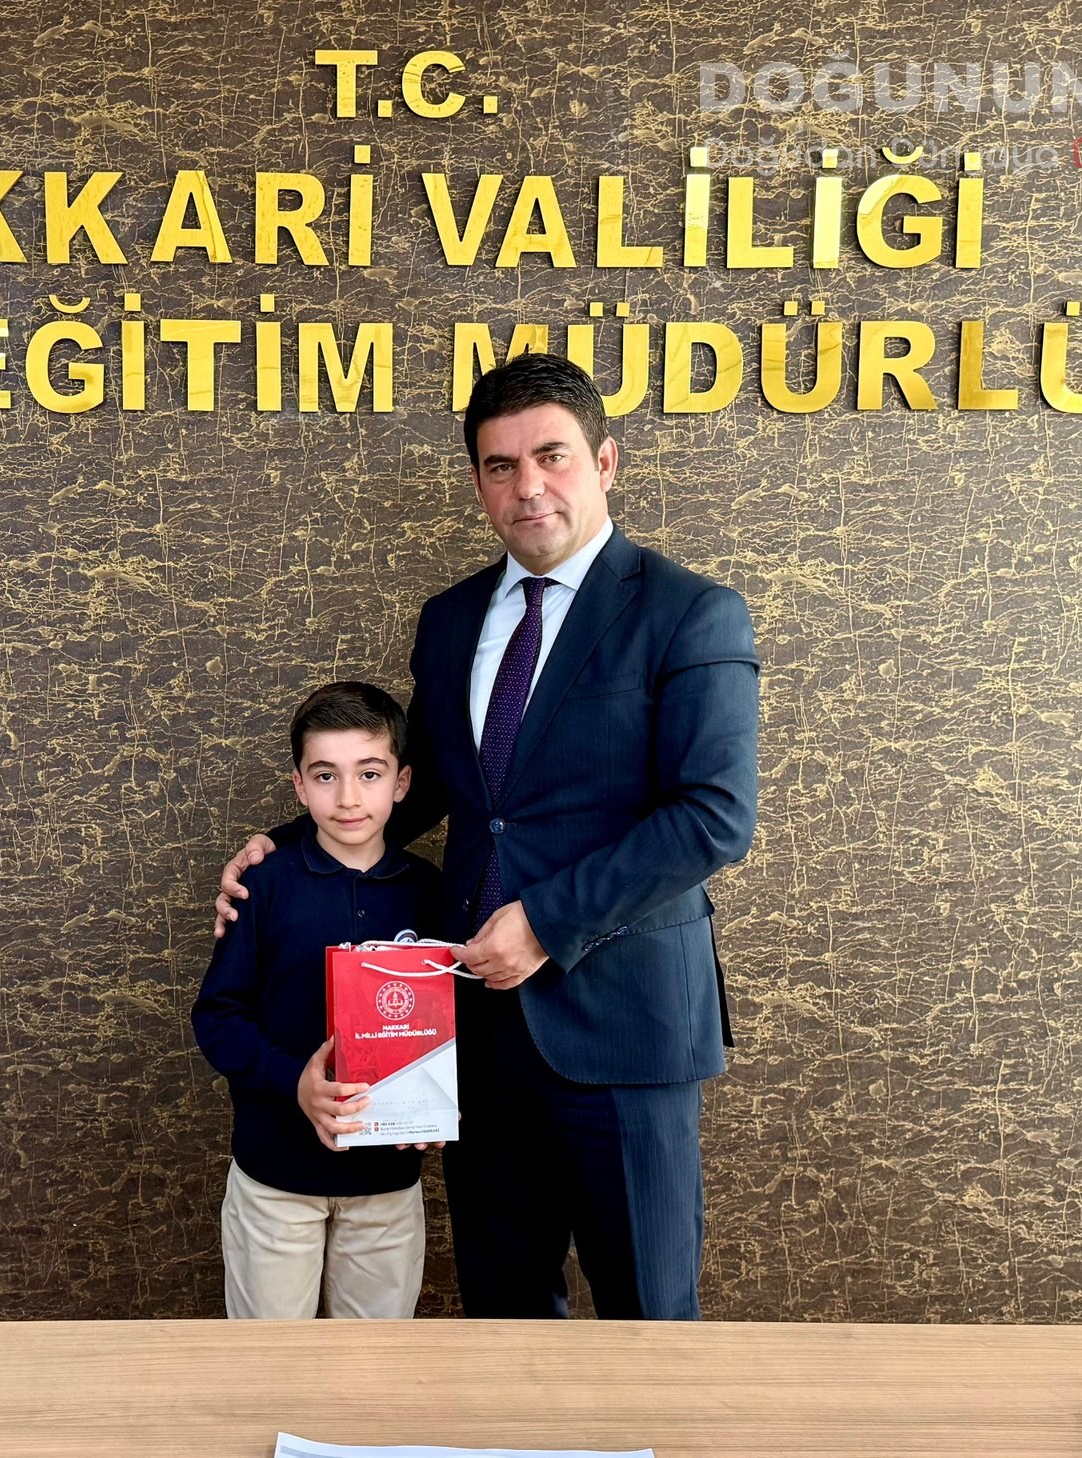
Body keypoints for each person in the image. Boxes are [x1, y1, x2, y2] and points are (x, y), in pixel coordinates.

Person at [213, 353, 760, 1319]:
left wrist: (544, 923)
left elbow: (712, 814)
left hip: (625, 1026)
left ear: (605, 461)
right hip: (471, 1027)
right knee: (503, 1317)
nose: (528, 485)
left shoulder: (689, 612)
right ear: (478, 483)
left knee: (649, 1323)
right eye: (502, 466)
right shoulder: (452, 618)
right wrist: (282, 844)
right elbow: (422, 783)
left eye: (552, 456)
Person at [191, 680, 447, 1319]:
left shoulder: (431, 893)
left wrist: (437, 1106)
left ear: (402, 783)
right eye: (326, 775)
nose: (349, 797)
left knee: (374, 1365)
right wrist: (294, 1083)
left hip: (387, 1184)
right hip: (276, 1178)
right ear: (300, 787)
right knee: (272, 1362)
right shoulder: (263, 887)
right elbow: (218, 1016)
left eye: (370, 773)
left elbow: (454, 1026)